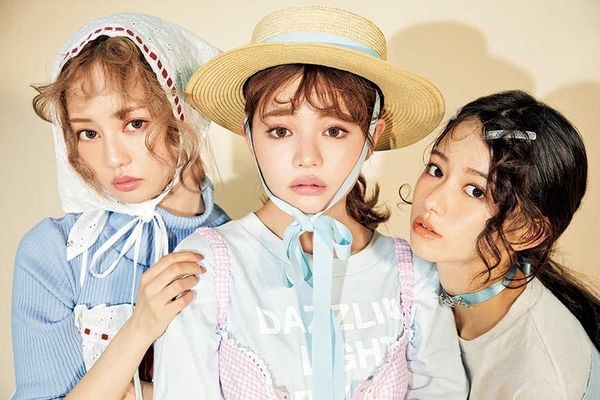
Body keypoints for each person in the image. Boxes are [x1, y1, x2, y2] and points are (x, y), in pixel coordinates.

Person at [154, 5, 467, 400]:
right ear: (249, 134)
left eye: (334, 130)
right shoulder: (208, 264)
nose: (307, 157)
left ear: (372, 136)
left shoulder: (411, 274)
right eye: (280, 130)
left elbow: (442, 391)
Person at [11, 13, 230, 400]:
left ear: (184, 112)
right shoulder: (54, 252)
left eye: (134, 123)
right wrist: (139, 327)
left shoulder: (241, 245)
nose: (113, 158)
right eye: (88, 133)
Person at [409, 89, 600, 399]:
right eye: (437, 170)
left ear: (526, 231)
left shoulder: (541, 381)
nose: (431, 200)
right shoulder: (415, 276)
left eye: (475, 191)